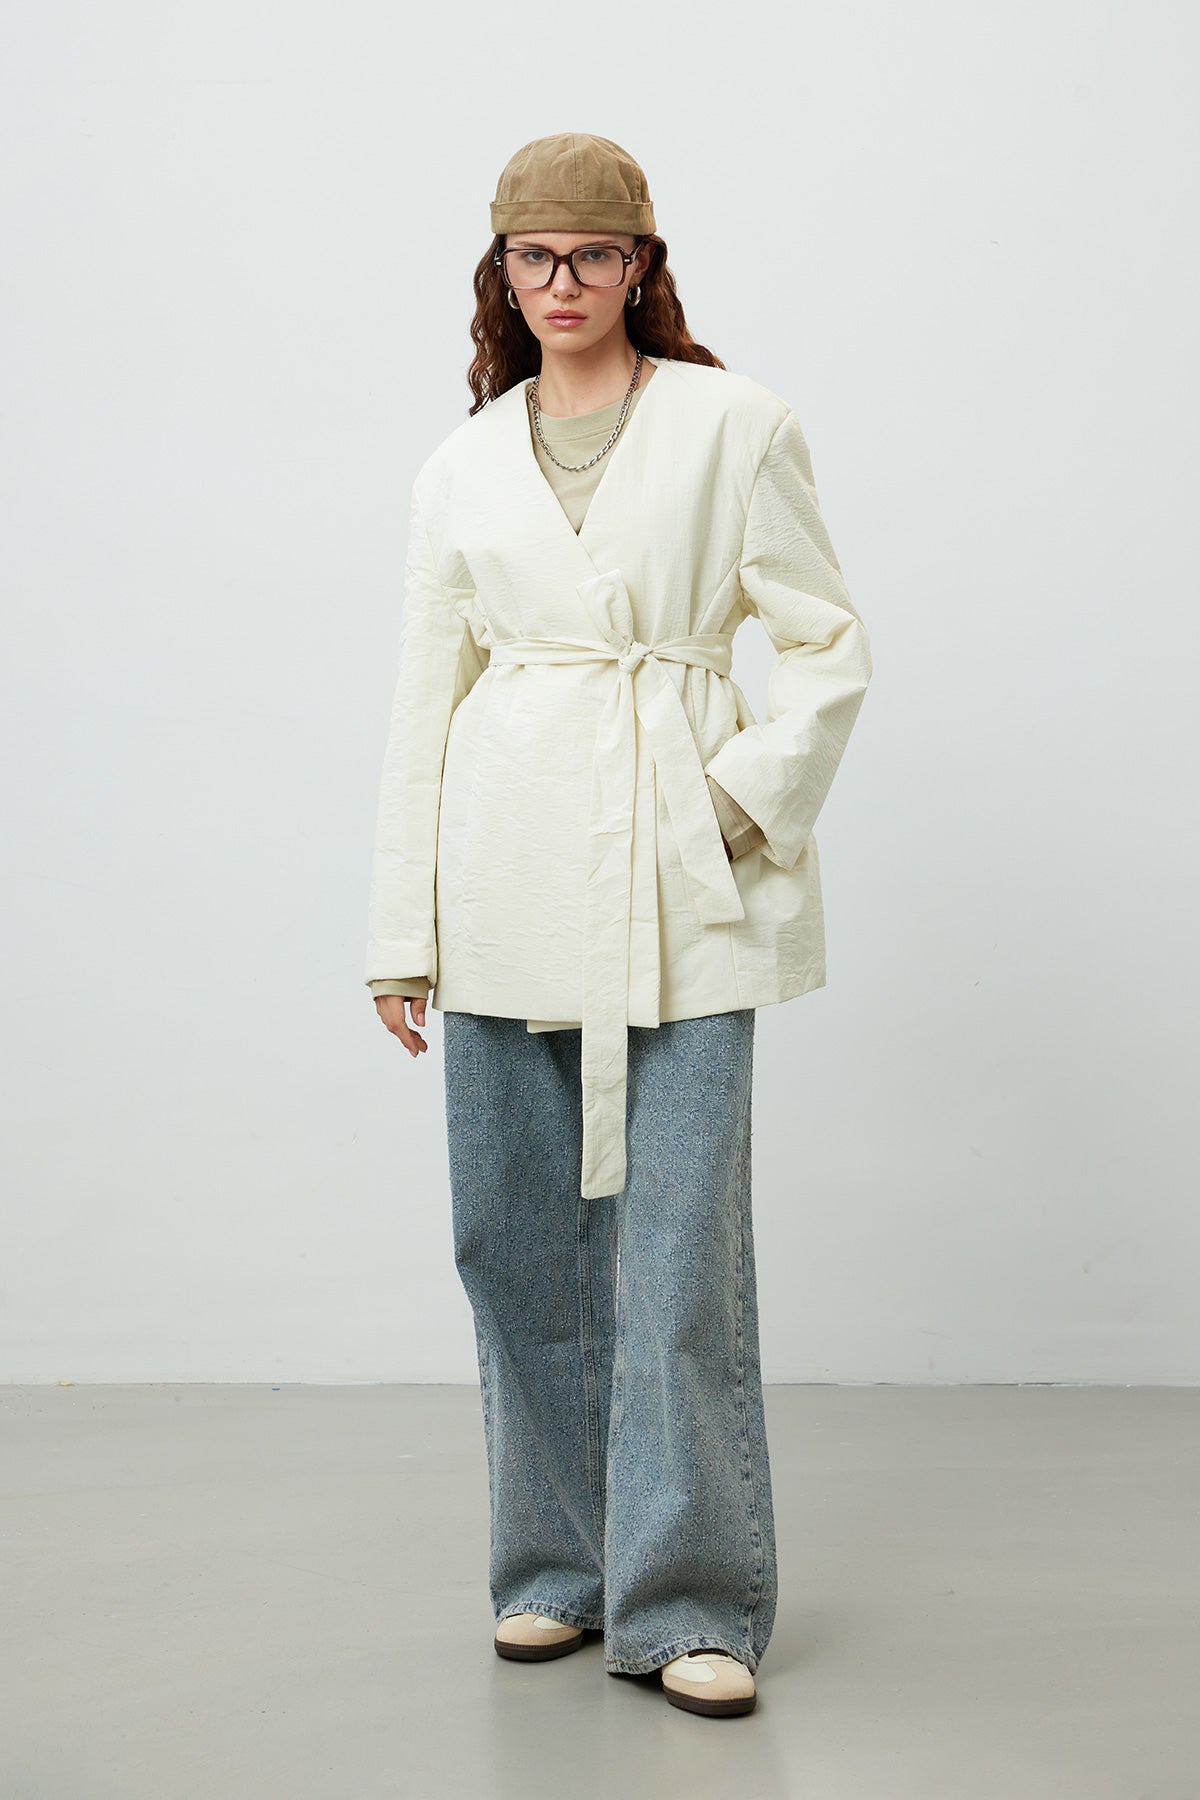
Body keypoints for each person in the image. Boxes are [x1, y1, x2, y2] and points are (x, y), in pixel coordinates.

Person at [364, 132, 873, 1718]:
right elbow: (425, 704)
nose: (564, 281)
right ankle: (556, 1571)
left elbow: (829, 646)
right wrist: (401, 929)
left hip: (676, 879)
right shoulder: (462, 466)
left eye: (593, 253)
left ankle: (693, 1600)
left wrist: (734, 808)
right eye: (536, 256)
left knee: (676, 1260)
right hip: (503, 869)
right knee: (511, 1242)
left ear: (641, 262)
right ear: (503, 272)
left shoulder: (735, 424)